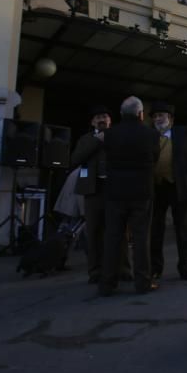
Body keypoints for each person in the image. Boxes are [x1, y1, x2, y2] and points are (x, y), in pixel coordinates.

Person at [100, 96, 160, 296]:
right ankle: (142, 283)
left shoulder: (110, 134)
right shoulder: (151, 134)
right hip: (141, 192)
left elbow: (106, 157)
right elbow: (155, 158)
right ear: (141, 114)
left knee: (112, 237)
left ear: (121, 114)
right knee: (141, 238)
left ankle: (107, 284)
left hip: (115, 192)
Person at [148, 101, 187, 282]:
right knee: (156, 231)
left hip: (179, 187)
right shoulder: (149, 135)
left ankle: (185, 268)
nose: (158, 119)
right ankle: (156, 268)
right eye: (155, 116)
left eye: (162, 115)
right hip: (157, 188)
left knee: (182, 230)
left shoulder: (182, 132)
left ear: (171, 119)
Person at [70, 105, 131, 284]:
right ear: (92, 122)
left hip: (115, 189)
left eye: (104, 116)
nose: (101, 119)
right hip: (93, 190)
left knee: (120, 230)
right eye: (97, 117)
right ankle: (95, 271)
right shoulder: (85, 139)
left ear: (110, 120)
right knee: (93, 231)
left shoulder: (119, 136)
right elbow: (76, 159)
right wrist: (97, 140)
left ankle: (124, 269)